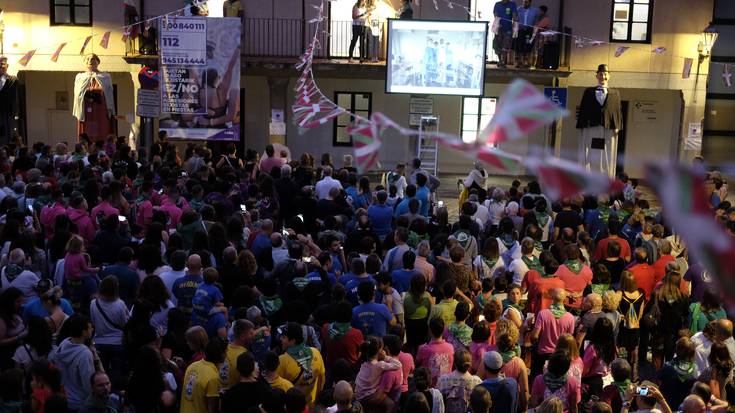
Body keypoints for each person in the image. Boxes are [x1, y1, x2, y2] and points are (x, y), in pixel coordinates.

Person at [576, 64, 623, 178]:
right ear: (596, 76)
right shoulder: (588, 92)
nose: (603, 77)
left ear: (609, 76)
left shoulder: (615, 94)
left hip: (607, 128)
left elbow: (617, 111)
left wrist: (617, 125)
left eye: (605, 74)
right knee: (589, 152)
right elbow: (583, 109)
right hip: (591, 127)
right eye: (601, 74)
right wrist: (583, 125)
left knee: (607, 154)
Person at [49, 314, 97, 411]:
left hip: (63, 399)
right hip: (79, 403)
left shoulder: (63, 344)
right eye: (89, 328)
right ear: (84, 332)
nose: (92, 329)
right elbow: (88, 382)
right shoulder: (85, 354)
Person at [276, 322, 326, 406]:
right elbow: (321, 380)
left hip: (293, 407)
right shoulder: (316, 352)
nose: (281, 339)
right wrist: (315, 401)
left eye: (284, 337)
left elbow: (278, 389)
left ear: (292, 341)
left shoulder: (282, 361)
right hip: (311, 404)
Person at [531, 288, 575, 379]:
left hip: (543, 354)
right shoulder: (570, 317)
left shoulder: (542, 314)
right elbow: (569, 339)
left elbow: (535, 336)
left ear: (552, 297)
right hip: (561, 355)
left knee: (541, 380)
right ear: (564, 299)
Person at [73, 54, 115, 142]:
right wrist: (87, 93)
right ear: (85, 62)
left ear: (98, 62)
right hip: (86, 109)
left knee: (101, 128)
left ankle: (100, 145)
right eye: (88, 59)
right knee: (87, 131)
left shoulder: (105, 76)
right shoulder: (80, 77)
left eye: (93, 59)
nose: (90, 61)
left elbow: (109, 94)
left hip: (100, 109)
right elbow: (77, 94)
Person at [354, 335, 401, 411]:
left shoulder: (364, 361)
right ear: (379, 351)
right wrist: (385, 357)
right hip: (367, 396)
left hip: (358, 394)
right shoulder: (379, 365)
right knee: (391, 404)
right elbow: (398, 365)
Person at [181, 337, 226, 413]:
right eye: (225, 352)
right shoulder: (212, 377)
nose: (226, 354)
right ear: (221, 355)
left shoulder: (192, 366)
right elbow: (212, 409)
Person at [416, 317, 455, 386]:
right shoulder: (450, 347)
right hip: (446, 386)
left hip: (428, 386)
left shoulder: (423, 349)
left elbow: (417, 365)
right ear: (443, 330)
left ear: (429, 330)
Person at [492, 0, 518, 68]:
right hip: (498, 28)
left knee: (506, 45)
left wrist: (515, 26)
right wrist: (498, 23)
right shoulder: (497, 4)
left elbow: (514, 16)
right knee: (498, 45)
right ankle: (500, 60)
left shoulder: (512, 4)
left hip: (508, 29)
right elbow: (495, 15)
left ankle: (503, 62)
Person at [515, 0, 540, 68]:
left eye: (526, 2)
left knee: (527, 44)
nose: (524, 3)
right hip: (520, 30)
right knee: (518, 45)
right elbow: (515, 19)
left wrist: (535, 31)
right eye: (523, 1)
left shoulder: (535, 10)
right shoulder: (518, 9)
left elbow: (536, 21)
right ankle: (517, 61)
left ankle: (525, 61)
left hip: (529, 31)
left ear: (530, 2)